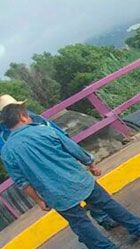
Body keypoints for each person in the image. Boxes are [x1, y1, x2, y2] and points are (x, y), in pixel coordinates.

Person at [1, 102, 140, 249]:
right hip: (79, 179)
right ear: (22, 116)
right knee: (108, 204)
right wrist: (90, 164)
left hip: (55, 194)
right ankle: (139, 228)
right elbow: (72, 148)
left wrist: (39, 200)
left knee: (80, 223)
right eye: (27, 114)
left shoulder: (7, 152)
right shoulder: (43, 130)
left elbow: (22, 182)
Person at [0, 95, 119, 229]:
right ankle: (101, 223)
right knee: (78, 197)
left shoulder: (30, 118)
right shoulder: (4, 135)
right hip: (43, 171)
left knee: (84, 190)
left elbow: (53, 130)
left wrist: (66, 144)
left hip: (57, 160)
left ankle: (102, 218)